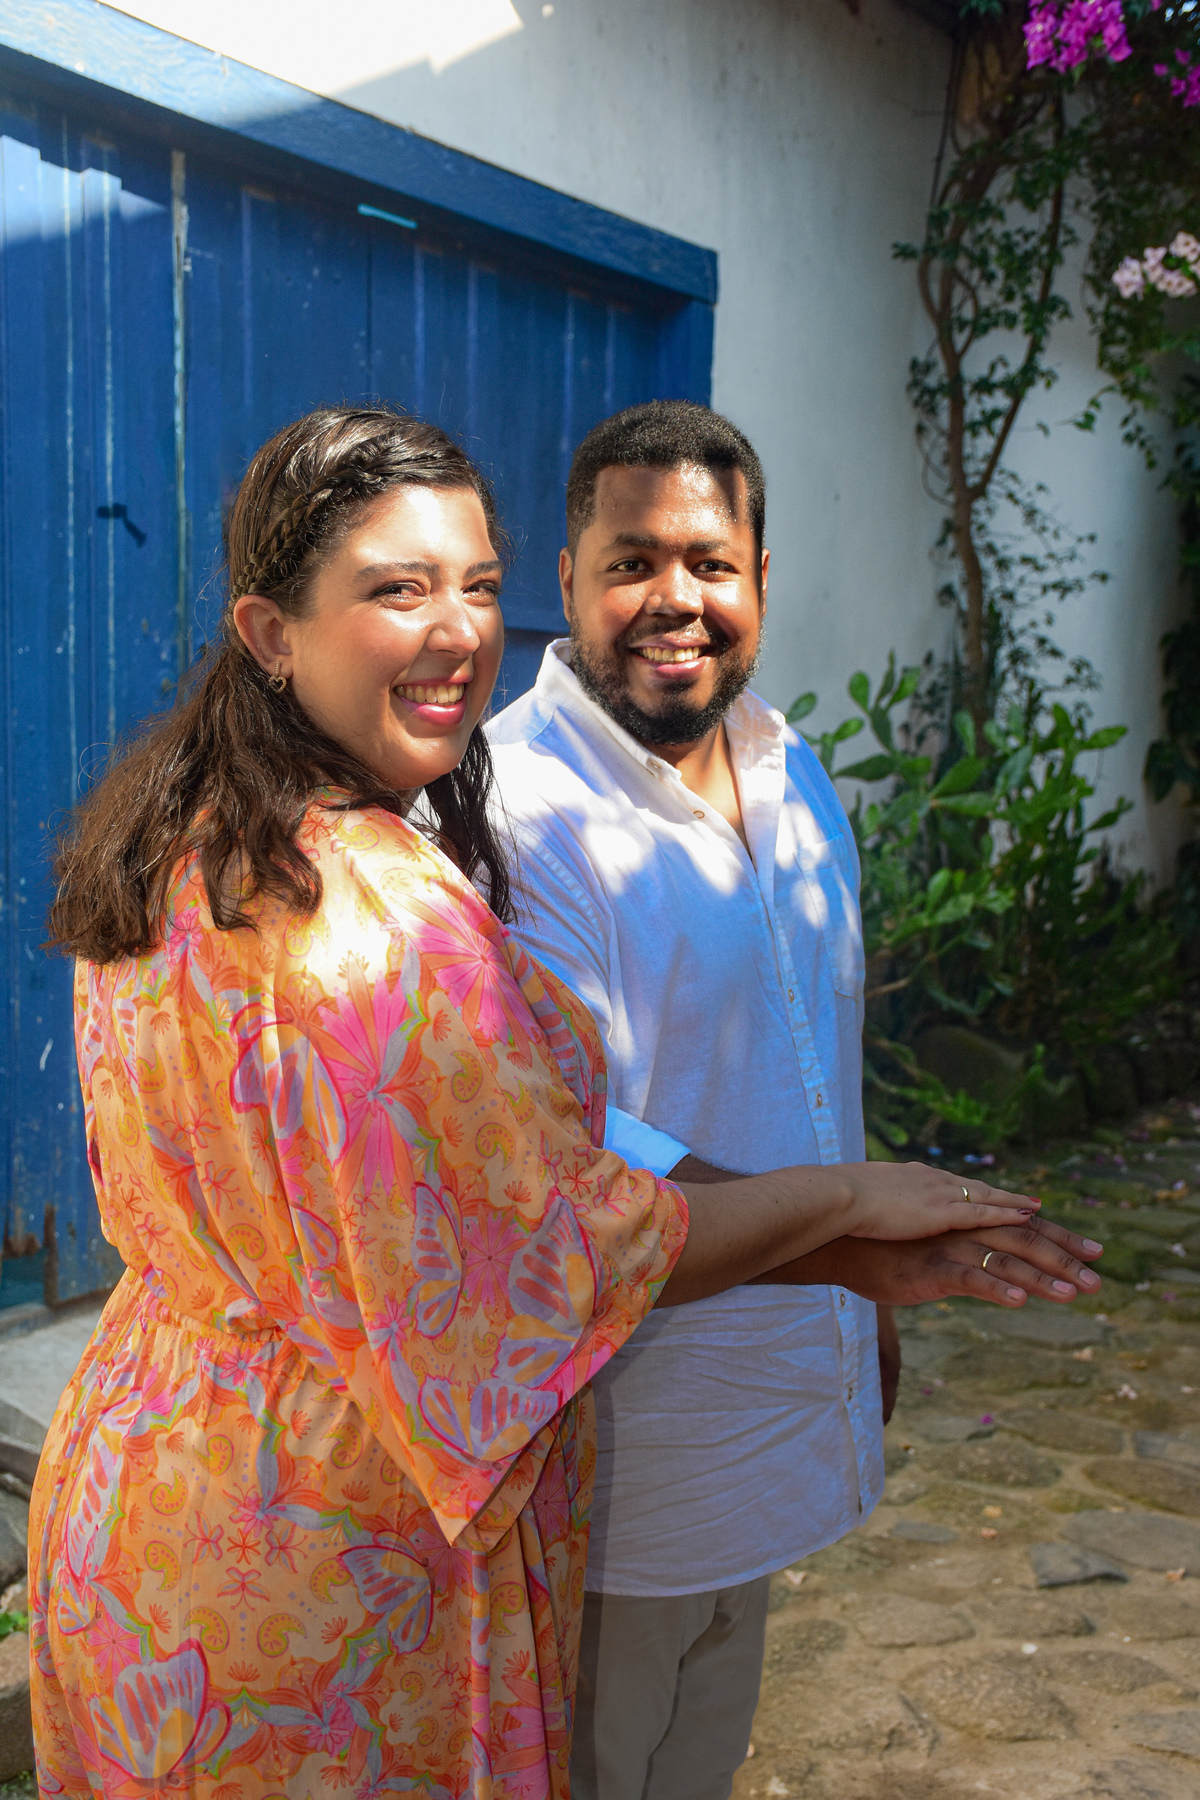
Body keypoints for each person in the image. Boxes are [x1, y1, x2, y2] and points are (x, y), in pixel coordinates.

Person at [28, 406, 1079, 1800]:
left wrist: (844, 1263)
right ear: (271, 631)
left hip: (159, 1486)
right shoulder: (384, 913)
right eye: (398, 589)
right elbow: (544, 1246)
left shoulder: (190, 836)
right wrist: (844, 1214)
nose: (457, 629)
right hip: (330, 1548)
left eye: (475, 585)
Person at [486, 399, 1105, 1800]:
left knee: (699, 1766)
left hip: (770, 1413)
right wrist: (856, 1246)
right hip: (626, 1462)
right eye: (631, 562)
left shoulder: (790, 765)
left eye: (710, 561)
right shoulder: (520, 812)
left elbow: (813, 1049)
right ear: (568, 584)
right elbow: (585, 1157)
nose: (675, 599)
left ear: (761, 578)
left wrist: (859, 1306)